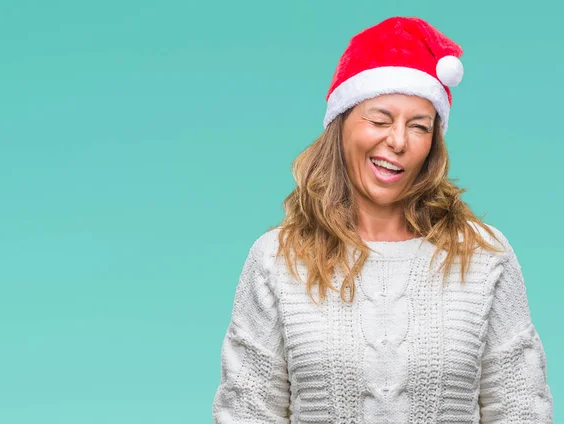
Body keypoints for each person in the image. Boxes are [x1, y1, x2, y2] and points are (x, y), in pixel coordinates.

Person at [211, 16, 553, 423]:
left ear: (433, 143)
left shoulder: (483, 255)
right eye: (379, 119)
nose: (398, 141)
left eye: (419, 126)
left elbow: (520, 408)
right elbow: (248, 411)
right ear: (340, 125)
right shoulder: (276, 259)